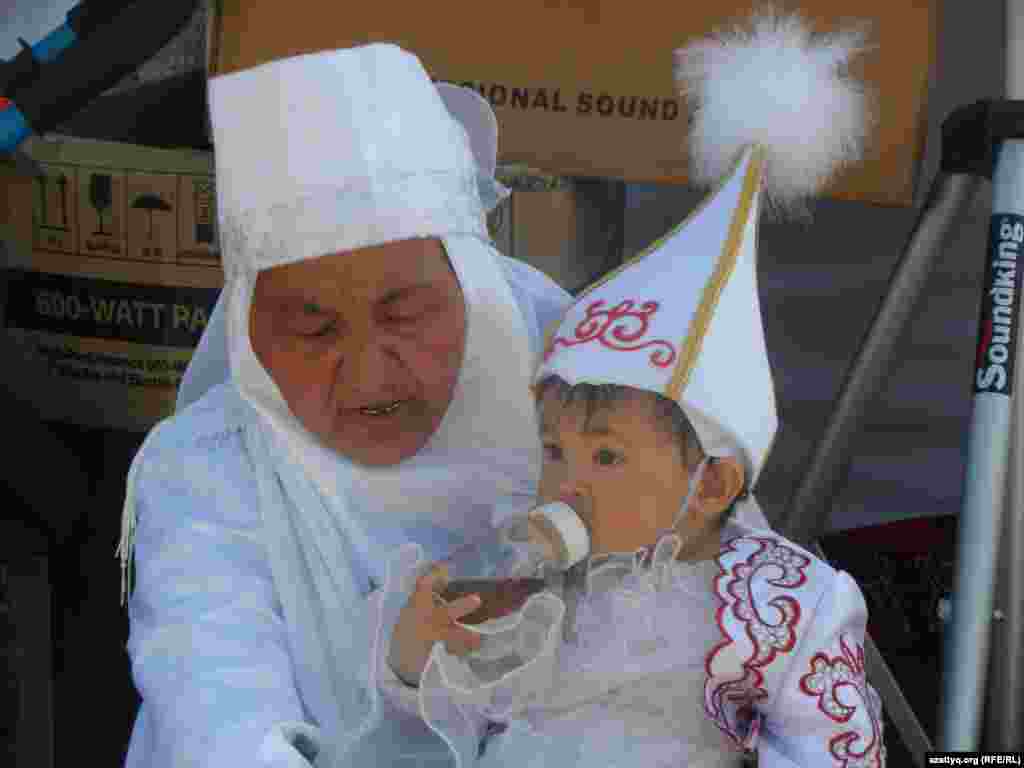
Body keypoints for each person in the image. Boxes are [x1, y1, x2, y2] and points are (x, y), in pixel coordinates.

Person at [380, 10, 885, 767]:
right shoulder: (531, 572)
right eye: (555, 450)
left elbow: (838, 752)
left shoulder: (782, 605)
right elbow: (457, 713)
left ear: (710, 481)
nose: (567, 481)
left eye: (607, 458)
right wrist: (421, 650)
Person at [116, 44, 574, 767]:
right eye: (313, 329)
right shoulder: (203, 472)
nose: (367, 374)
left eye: (405, 315)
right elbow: (212, 695)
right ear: (249, 331)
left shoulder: (584, 397)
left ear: (472, 292)